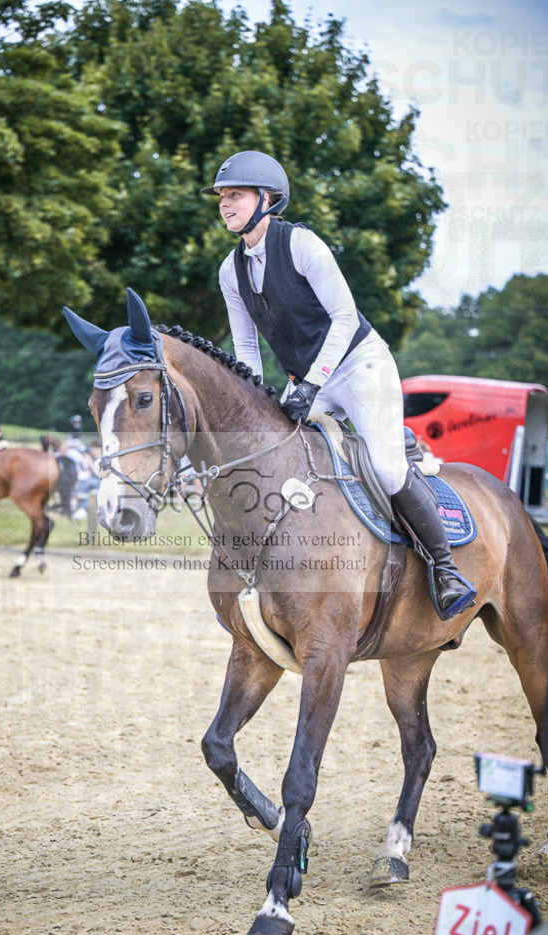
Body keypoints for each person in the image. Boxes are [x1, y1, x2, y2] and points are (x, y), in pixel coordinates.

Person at [201, 150, 476, 619]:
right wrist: (255, 396)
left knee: (387, 471)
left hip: (360, 365)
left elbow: (344, 318)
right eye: (223, 197)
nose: (226, 204)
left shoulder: (304, 245)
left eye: (236, 195)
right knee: (275, 449)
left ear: (267, 199)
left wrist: (312, 383)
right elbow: (246, 346)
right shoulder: (232, 270)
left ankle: (446, 570)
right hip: (309, 380)